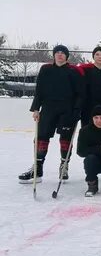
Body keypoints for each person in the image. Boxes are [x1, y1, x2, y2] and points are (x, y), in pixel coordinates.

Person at [18, 45, 84, 183]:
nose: (60, 55)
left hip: (67, 110)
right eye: (57, 53)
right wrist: (36, 108)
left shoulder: (74, 71)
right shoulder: (45, 69)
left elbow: (80, 94)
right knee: (42, 137)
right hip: (48, 109)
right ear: (53, 55)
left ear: (67, 56)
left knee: (66, 138)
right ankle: (37, 168)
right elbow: (39, 90)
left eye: (63, 53)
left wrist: (77, 111)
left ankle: (64, 166)